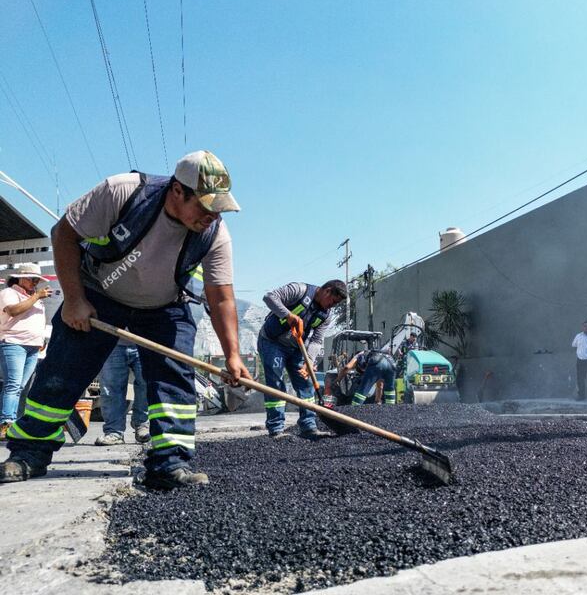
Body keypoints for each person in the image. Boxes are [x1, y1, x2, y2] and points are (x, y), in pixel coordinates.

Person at [0, 150, 250, 489]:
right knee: (61, 372)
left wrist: (233, 355)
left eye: (219, 208)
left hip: (165, 306)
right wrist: (74, 300)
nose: (213, 215)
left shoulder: (214, 233)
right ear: (178, 190)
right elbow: (63, 234)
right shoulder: (123, 192)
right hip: (99, 294)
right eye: (206, 206)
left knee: (174, 378)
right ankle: (28, 453)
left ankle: (169, 464)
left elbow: (221, 296)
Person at [258, 280, 346, 439]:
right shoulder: (299, 290)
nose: (331, 306)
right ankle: (276, 429)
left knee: (306, 384)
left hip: (297, 348)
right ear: (327, 291)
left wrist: (309, 361)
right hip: (272, 342)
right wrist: (288, 315)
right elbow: (269, 297)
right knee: (276, 384)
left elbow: (317, 340)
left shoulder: (326, 315)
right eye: (332, 302)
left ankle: (309, 427)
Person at [0, 264, 52, 439]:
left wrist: (40, 338)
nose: (35, 282)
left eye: (37, 279)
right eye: (32, 279)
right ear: (20, 278)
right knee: (13, 385)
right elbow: (13, 311)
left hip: (32, 346)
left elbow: (35, 320)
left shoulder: (34, 297)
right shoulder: (9, 293)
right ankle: (6, 422)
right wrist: (36, 296)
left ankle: (11, 421)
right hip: (14, 344)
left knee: (20, 387)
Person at [95, 336, 149, 445]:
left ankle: (142, 424)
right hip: (112, 341)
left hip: (145, 341)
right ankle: (114, 431)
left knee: (146, 384)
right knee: (111, 389)